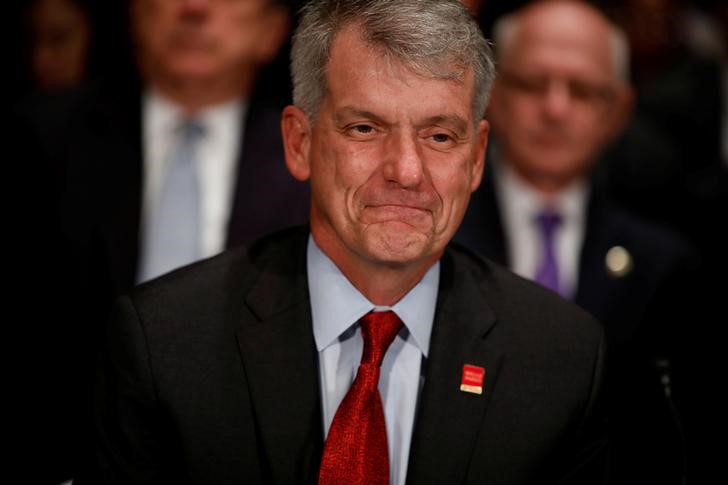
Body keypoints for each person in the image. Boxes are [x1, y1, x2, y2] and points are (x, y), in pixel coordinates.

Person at [86, 1, 608, 483]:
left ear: (475, 159)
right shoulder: (166, 343)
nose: (406, 171)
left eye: (440, 136)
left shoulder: (562, 361)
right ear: (300, 143)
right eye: (365, 128)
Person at [11, 0, 309, 483]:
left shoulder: (315, 161)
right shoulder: (42, 139)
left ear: (272, 30)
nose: (194, 8)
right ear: (134, 13)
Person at [454, 1, 695, 483]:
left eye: (582, 90)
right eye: (531, 84)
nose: (555, 108)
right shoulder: (438, 235)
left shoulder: (664, 265)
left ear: (618, 110)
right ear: (492, 94)